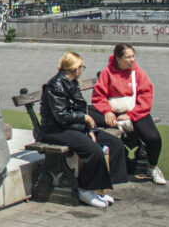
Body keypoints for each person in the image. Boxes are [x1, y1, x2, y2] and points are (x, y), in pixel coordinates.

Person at [39, 51, 127, 208]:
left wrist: (89, 129)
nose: (82, 70)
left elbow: (81, 109)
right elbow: (62, 116)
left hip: (73, 126)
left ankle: (100, 187)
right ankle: (84, 188)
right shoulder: (55, 85)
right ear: (74, 69)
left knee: (115, 144)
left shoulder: (72, 83)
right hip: (55, 130)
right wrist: (85, 120)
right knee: (93, 151)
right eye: (81, 67)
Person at [92, 43, 166, 185]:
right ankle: (121, 127)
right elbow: (99, 96)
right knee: (91, 113)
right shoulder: (108, 72)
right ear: (118, 59)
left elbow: (147, 95)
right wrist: (107, 111)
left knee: (154, 138)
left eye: (133, 56)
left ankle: (152, 167)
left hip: (134, 111)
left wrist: (131, 115)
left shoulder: (138, 72)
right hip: (114, 112)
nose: (132, 60)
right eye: (128, 57)